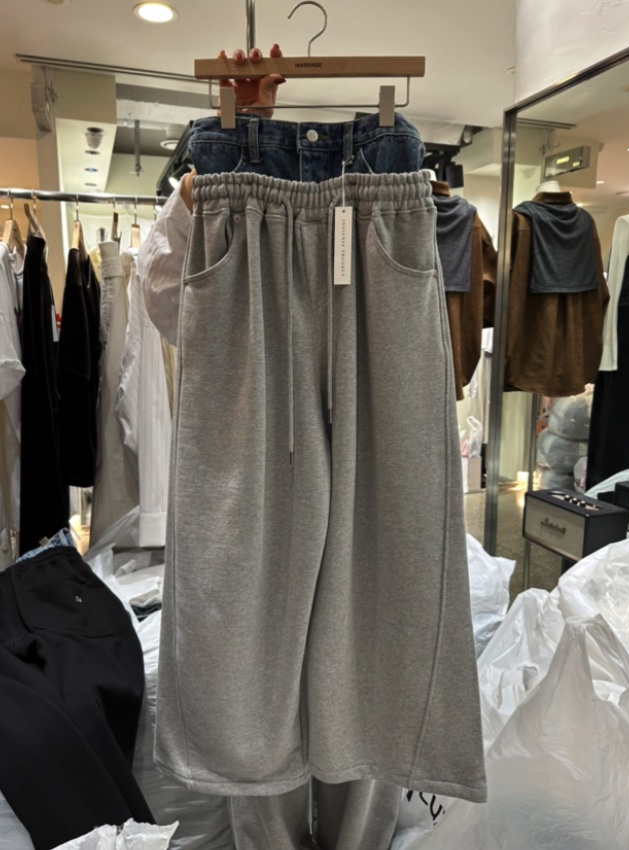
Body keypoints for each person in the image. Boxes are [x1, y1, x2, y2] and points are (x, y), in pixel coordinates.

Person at [139, 45, 405, 850]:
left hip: (368, 277)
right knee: (253, 635)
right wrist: (217, 181)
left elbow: (165, 301)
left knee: (368, 612)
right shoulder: (209, 195)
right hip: (254, 374)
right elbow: (168, 304)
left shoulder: (397, 196)